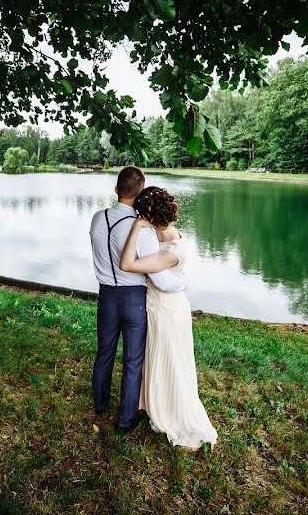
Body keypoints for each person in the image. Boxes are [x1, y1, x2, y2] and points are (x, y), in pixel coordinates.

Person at [89, 167, 187, 432]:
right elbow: (154, 274)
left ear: (116, 189)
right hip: (134, 299)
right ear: (140, 192)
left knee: (104, 351)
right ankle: (126, 418)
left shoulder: (97, 219)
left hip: (106, 295)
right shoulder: (142, 228)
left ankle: (100, 403)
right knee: (133, 360)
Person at [119, 186, 217, 450]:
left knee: (170, 359)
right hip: (159, 306)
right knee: (155, 357)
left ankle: (172, 411)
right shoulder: (162, 236)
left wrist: (135, 230)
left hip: (167, 310)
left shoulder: (170, 250)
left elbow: (127, 264)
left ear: (148, 216)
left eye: (141, 213)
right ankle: (150, 402)